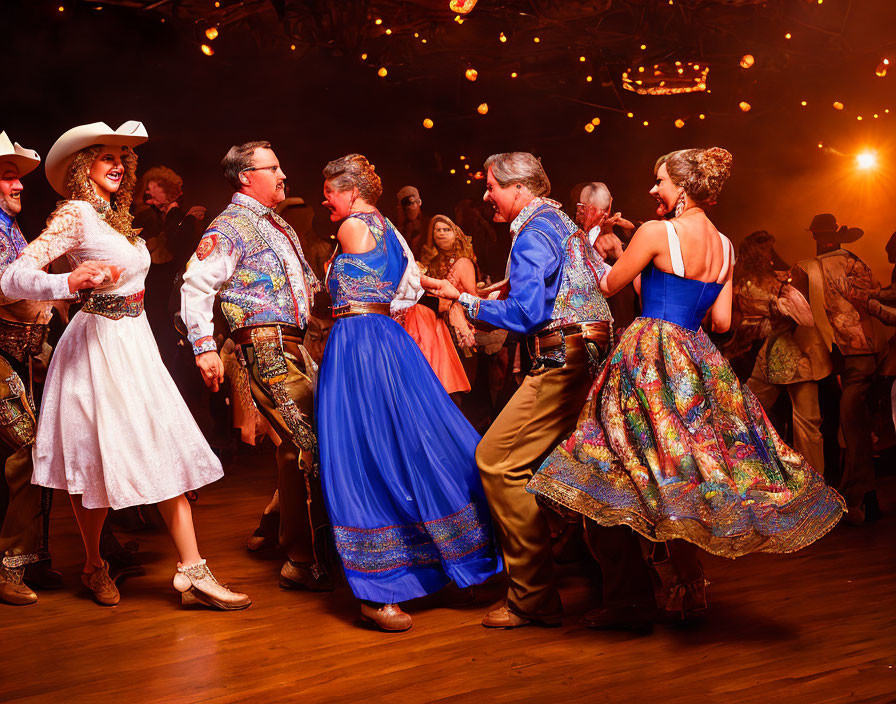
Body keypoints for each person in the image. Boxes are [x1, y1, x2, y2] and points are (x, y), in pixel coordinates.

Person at [528, 148, 845, 623]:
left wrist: (607, 248)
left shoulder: (657, 233)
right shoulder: (726, 246)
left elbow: (608, 286)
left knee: (628, 458)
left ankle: (639, 586)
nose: (654, 189)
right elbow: (719, 322)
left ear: (682, 188)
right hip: (696, 357)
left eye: (660, 181)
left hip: (651, 352)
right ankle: (687, 581)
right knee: (676, 465)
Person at [0, 121, 250, 610]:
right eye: (105, 156)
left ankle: (192, 570)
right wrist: (68, 280)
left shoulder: (115, 214)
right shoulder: (75, 214)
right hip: (95, 348)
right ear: (82, 166)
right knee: (92, 460)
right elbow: (12, 278)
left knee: (164, 445)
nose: (117, 164)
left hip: (134, 342)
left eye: (122, 157)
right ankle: (94, 565)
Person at [423, 152, 615, 629]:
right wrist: (494, 293)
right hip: (590, 350)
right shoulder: (560, 222)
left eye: (491, 186)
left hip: (563, 356)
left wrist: (463, 300)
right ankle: (627, 590)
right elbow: (583, 284)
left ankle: (533, 597)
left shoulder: (532, 231)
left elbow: (530, 314)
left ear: (519, 188)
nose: (486, 195)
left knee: (497, 460)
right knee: (588, 465)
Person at [317, 154, 501, 632]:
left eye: (330, 191)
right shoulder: (392, 232)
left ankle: (382, 588)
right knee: (416, 444)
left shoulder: (353, 227)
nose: (325, 199)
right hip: (390, 340)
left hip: (358, 344)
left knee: (363, 454)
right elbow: (406, 291)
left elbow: (374, 293)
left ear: (351, 193)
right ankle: (459, 558)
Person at [180, 140, 331, 591]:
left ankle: (275, 527)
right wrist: (204, 346)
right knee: (309, 441)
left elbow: (309, 288)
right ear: (246, 176)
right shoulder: (230, 226)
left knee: (302, 440)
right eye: (274, 168)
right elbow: (196, 284)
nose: (284, 175)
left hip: (296, 346)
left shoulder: (278, 225)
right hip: (264, 346)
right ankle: (303, 559)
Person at [0, 132, 61, 605]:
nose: (18, 185)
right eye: (6, 176)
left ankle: (33, 557)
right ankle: (11, 566)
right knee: (31, 448)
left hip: (21, 360)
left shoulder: (11, 227)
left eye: (17, 176)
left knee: (38, 451)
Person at [790, 214, 882, 524]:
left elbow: (797, 310)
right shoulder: (855, 261)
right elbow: (876, 291)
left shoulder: (807, 267)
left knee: (846, 427)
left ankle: (857, 497)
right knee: (854, 425)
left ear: (815, 236)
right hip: (864, 351)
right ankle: (861, 497)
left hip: (835, 356)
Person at [735, 231, 831, 478]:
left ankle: (812, 487)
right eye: (766, 250)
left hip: (793, 353)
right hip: (778, 352)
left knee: (803, 422)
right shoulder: (756, 281)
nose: (770, 255)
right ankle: (748, 472)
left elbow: (804, 317)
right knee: (749, 411)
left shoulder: (770, 280)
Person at [402, 215, 473, 396]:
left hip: (459, 323)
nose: (441, 234)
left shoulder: (463, 262)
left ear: (455, 233)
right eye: (437, 230)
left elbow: (472, 297)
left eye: (446, 230)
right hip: (437, 324)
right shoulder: (430, 263)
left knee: (461, 381)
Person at [395, 185, 427, 257]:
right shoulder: (399, 227)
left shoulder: (428, 225)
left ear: (419, 202)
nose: (411, 207)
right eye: (407, 205)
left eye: (413, 203)